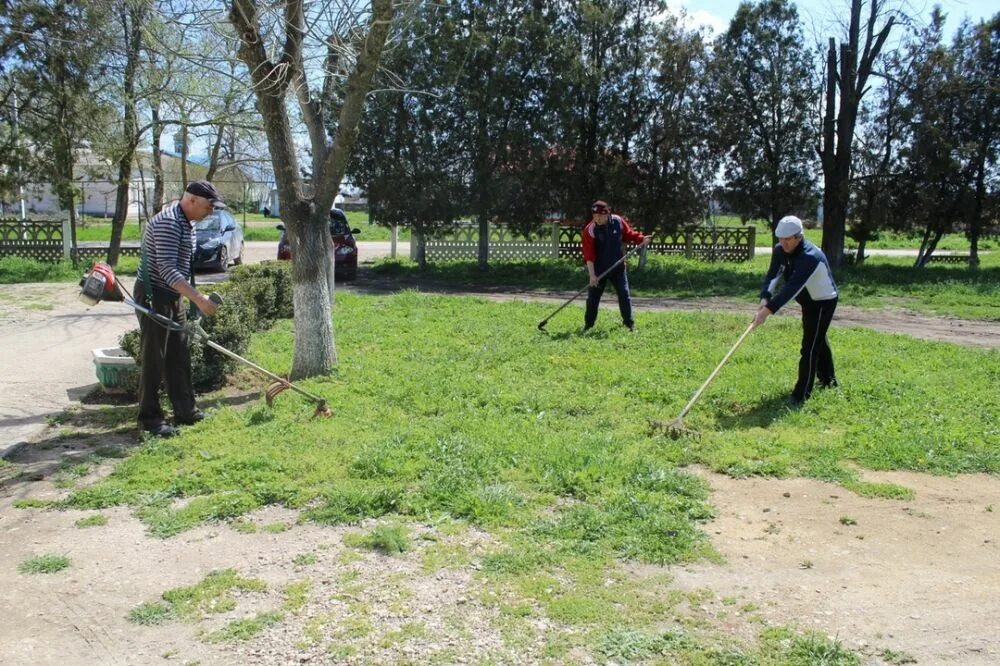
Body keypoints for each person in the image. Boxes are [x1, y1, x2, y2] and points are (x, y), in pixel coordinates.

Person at [134, 181, 223, 437]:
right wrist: (199, 299)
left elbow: (181, 267)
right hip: (154, 295)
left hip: (173, 294)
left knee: (178, 353)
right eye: (209, 206)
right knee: (154, 357)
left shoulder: (188, 223)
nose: (211, 211)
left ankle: (185, 410)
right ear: (193, 200)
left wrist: (188, 297)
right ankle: (150, 420)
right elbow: (166, 269)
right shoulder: (169, 222)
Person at [753, 215, 839, 405]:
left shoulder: (810, 257)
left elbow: (791, 288)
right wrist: (765, 297)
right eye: (780, 239)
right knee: (817, 336)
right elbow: (773, 275)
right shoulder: (780, 250)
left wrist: (766, 312)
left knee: (810, 347)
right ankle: (829, 380)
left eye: (788, 239)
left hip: (823, 301)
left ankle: (801, 395)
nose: (783, 243)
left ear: (799, 237)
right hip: (807, 300)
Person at [581, 200, 649, 331]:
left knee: (624, 294)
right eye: (594, 216)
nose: (597, 218)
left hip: (617, 267)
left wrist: (641, 239)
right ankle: (588, 325)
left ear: (607, 214)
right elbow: (588, 255)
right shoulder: (590, 230)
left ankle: (629, 324)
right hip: (598, 270)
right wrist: (592, 276)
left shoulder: (618, 221)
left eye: (599, 216)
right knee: (593, 298)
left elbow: (629, 234)